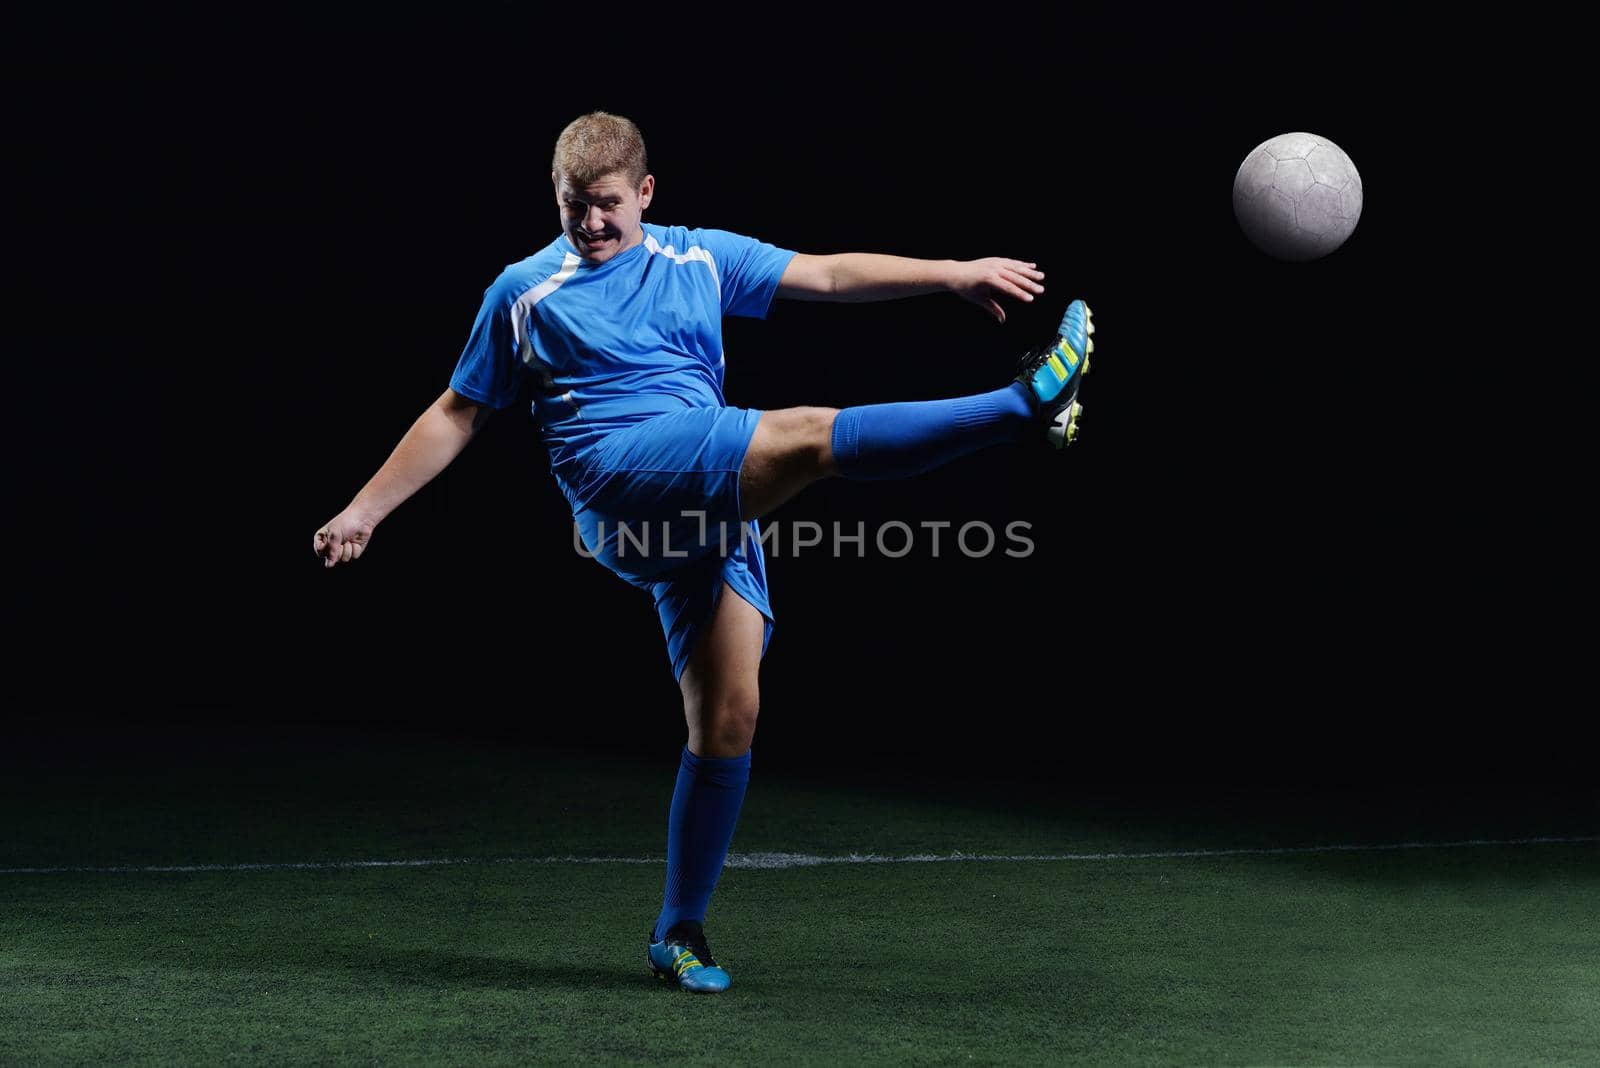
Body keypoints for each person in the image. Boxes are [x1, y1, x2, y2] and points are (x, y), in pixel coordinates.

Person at [312, 111, 1094, 993]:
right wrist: (364, 510)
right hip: (617, 484)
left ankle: (677, 933)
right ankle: (1023, 406)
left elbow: (829, 276)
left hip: (707, 491)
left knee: (729, 718)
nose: (592, 224)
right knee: (802, 434)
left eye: (607, 204)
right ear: (556, 198)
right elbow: (459, 410)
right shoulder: (523, 291)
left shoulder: (697, 256)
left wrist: (951, 273)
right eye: (574, 206)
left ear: (645, 192)